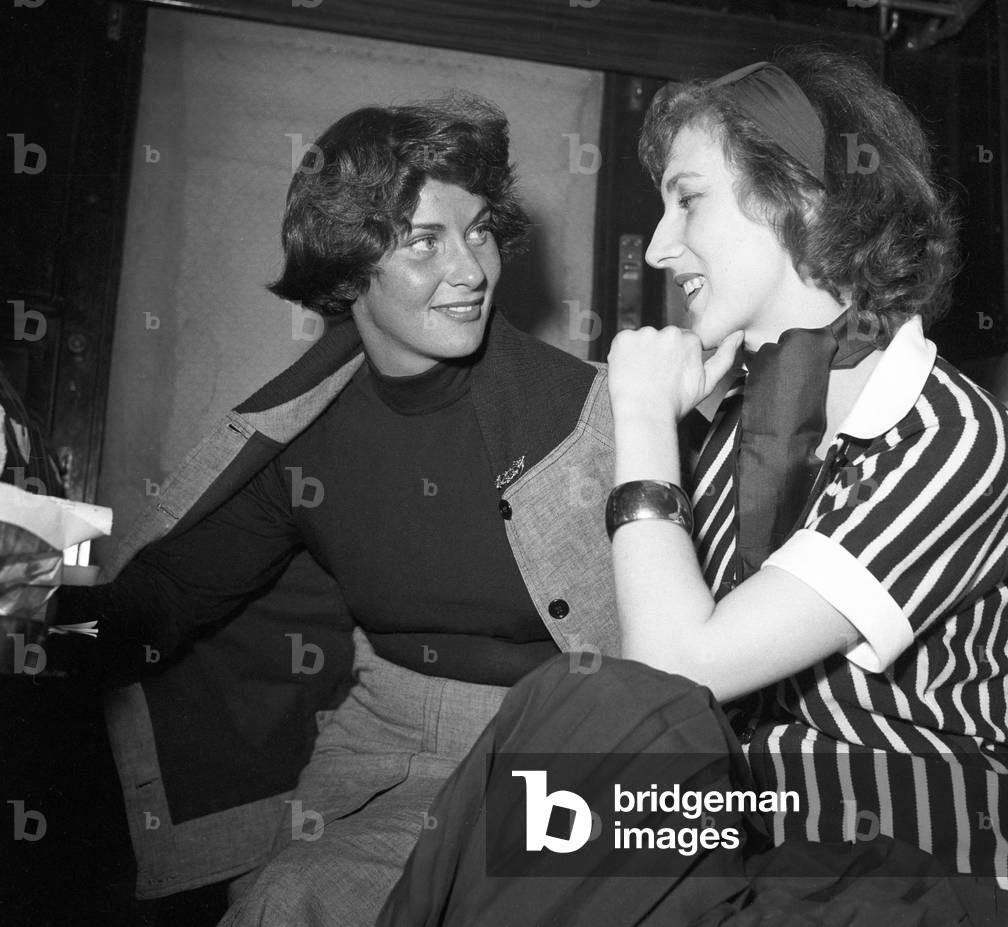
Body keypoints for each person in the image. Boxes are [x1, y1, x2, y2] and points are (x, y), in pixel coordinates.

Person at [378, 48, 1008, 925]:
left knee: (573, 717)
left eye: (689, 199)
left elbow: (674, 672)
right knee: (526, 773)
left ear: (803, 194)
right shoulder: (733, 429)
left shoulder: (941, 430)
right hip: (751, 829)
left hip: (915, 856)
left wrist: (640, 414)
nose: (664, 245)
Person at [57, 95, 617, 925]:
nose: (471, 270)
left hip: (558, 746)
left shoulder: (586, 416)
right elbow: (171, 596)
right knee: (274, 902)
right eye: (427, 240)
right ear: (350, 267)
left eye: (479, 231)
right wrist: (43, 618)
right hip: (378, 737)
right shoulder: (305, 432)